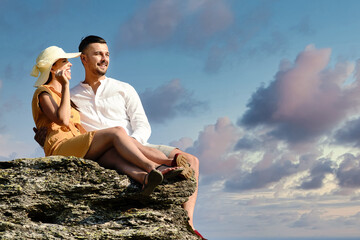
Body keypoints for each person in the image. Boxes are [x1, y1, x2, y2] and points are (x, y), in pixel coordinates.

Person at [34, 36, 205, 239]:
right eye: (98, 53)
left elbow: (142, 124)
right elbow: (64, 124)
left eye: (107, 54)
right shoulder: (71, 95)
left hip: (136, 142)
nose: (104, 58)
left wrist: (133, 141)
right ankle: (155, 170)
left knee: (192, 161)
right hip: (103, 147)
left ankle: (188, 226)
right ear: (84, 59)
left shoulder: (124, 88)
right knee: (121, 141)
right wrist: (45, 134)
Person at [30, 46, 184, 197]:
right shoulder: (43, 92)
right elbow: (63, 120)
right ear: (52, 68)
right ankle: (154, 166)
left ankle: (145, 179)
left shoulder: (63, 95)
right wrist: (65, 85)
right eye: (64, 61)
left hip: (75, 144)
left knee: (112, 156)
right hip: (61, 147)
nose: (70, 64)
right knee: (116, 131)